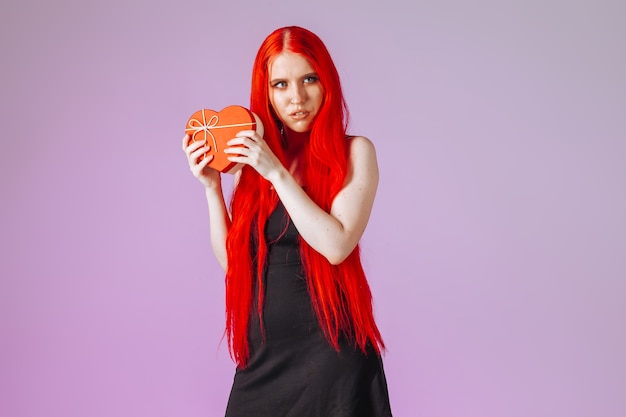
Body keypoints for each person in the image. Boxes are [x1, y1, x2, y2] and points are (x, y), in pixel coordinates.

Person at [183, 26, 392, 417]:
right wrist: (212, 188)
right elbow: (235, 264)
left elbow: (336, 245)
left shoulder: (355, 152)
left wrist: (276, 172)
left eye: (309, 79)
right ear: (266, 93)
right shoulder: (255, 161)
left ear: (327, 81)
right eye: (281, 84)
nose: (297, 98)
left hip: (332, 362)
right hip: (262, 361)